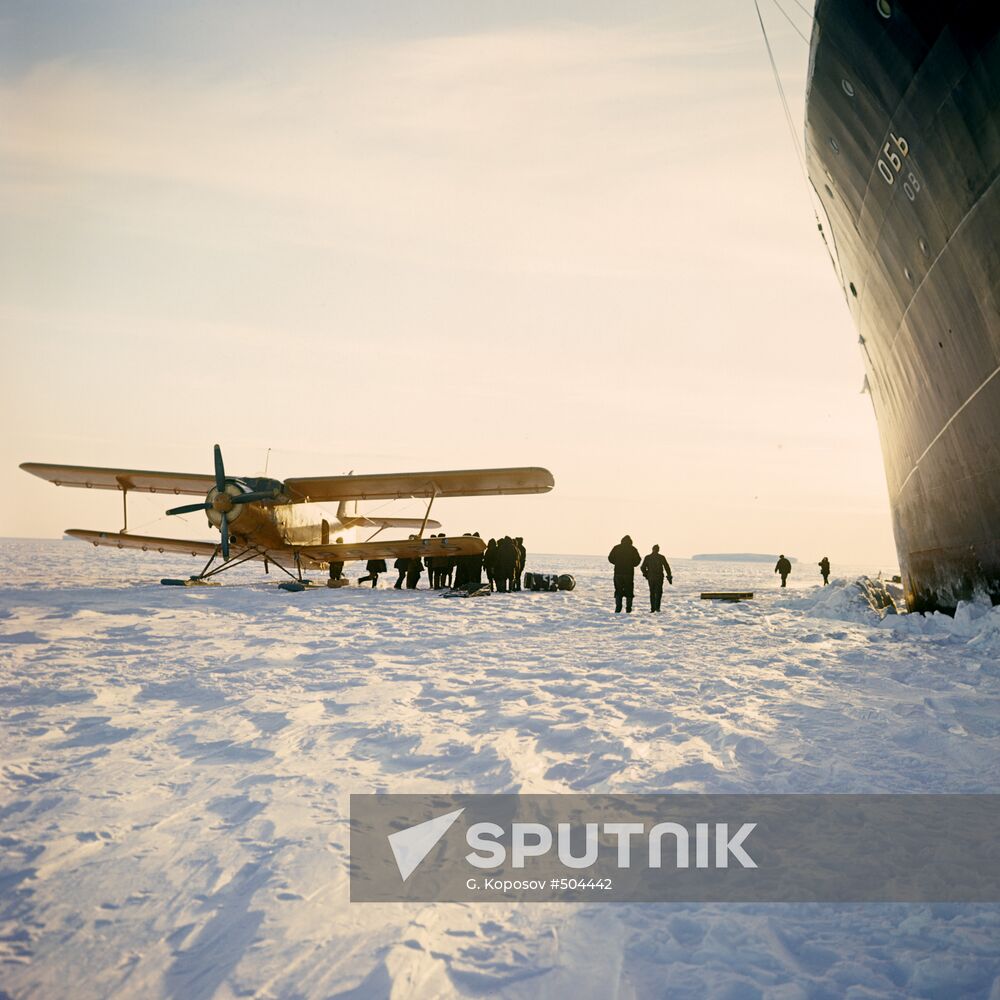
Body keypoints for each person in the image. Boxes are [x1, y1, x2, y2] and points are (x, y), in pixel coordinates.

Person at [608, 534, 641, 613]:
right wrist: (631, 564)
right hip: (628, 573)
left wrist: (617, 563)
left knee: (618, 590)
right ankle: (628, 608)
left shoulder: (616, 548)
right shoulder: (633, 549)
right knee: (629, 590)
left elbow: (610, 558)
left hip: (618, 572)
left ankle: (618, 608)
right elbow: (638, 560)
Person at [641, 544, 673, 612]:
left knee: (652, 592)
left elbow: (642, 567)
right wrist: (669, 576)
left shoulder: (648, 557)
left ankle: (653, 608)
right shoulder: (661, 557)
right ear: (658, 550)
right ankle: (657, 607)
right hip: (659, 577)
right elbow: (667, 567)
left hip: (651, 577)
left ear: (652, 549)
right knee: (658, 592)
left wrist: (646, 574)